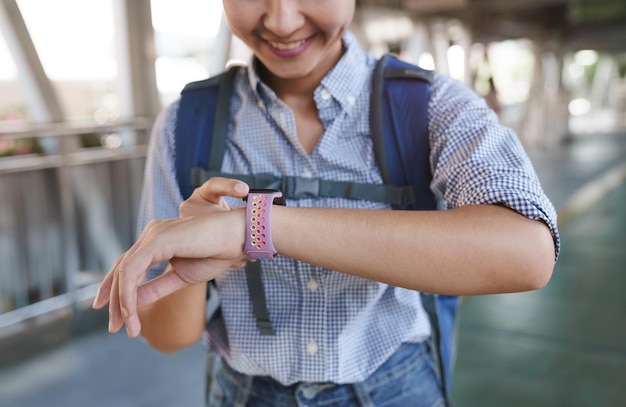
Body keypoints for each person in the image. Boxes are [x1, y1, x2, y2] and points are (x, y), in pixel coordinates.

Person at [92, 1, 560, 405]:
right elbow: (170, 335)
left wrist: (253, 226)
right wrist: (191, 258)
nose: (281, 19)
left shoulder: (432, 106)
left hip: (395, 389)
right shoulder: (184, 125)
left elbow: (528, 252)